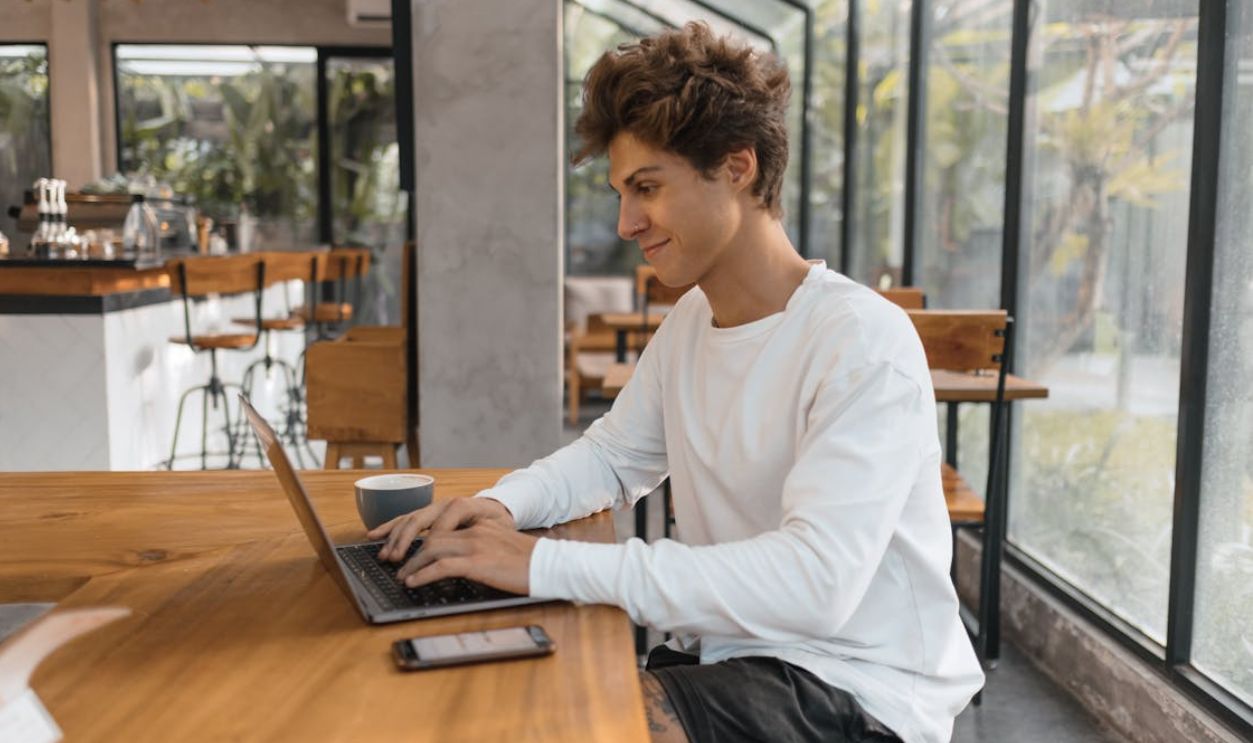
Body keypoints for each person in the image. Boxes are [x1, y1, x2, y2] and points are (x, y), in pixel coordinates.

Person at [370, 22, 983, 743]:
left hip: (859, 688)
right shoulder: (694, 319)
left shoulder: (860, 340)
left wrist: (543, 562)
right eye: (621, 193)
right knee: (506, 694)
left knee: (564, 722)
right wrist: (497, 506)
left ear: (737, 167)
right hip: (739, 655)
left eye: (647, 188)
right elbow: (610, 458)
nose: (627, 221)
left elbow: (816, 584)